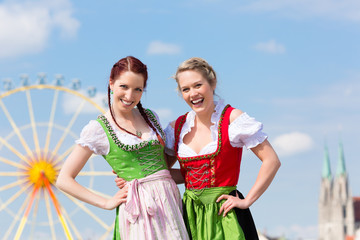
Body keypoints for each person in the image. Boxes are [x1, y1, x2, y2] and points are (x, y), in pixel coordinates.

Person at [56, 56, 189, 240]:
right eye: (124, 87)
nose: (129, 96)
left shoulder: (151, 116)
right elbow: (63, 179)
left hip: (170, 204)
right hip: (140, 210)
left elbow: (162, 170)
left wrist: (197, 174)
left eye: (138, 89)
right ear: (111, 84)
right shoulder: (98, 128)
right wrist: (106, 203)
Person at [163, 57, 281, 240]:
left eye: (198, 85)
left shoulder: (232, 119)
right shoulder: (176, 127)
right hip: (190, 216)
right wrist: (133, 179)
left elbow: (271, 161)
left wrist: (246, 200)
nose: (192, 93)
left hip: (225, 215)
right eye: (186, 89)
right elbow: (165, 172)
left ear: (212, 83)